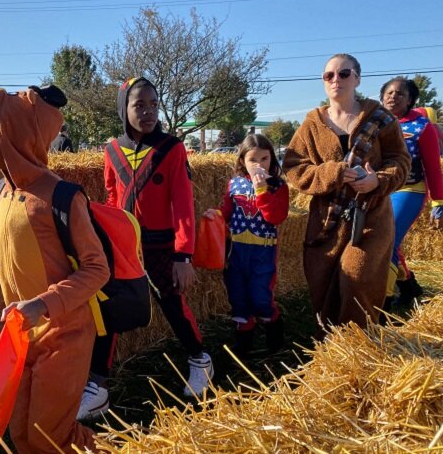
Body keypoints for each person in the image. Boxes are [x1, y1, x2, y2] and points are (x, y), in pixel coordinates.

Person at [0, 84, 109, 453]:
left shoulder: (62, 196)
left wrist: (41, 305)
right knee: (22, 433)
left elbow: (97, 269)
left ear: (13, 136)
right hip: (21, 336)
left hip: (63, 335)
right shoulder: (1, 192)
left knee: (50, 436)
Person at [78, 77, 213, 421]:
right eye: (140, 105)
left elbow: (183, 204)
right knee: (110, 309)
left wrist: (184, 256)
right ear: (123, 108)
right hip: (124, 247)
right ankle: (98, 386)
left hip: (163, 246)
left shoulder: (172, 148)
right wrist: (106, 236)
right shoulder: (110, 150)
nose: (149, 111)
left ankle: (200, 360)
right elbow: (111, 196)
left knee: (172, 304)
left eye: (154, 104)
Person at [282, 54, 410, 336]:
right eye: (329, 75)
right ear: (323, 81)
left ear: (357, 78)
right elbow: (293, 166)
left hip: (371, 216)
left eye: (343, 73)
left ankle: (358, 344)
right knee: (322, 282)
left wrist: (378, 180)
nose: (335, 80)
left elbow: (400, 161)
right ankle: (331, 346)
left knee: (357, 278)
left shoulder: (380, 119)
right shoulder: (312, 125)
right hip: (326, 219)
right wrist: (333, 172)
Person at [204, 134, 289, 355]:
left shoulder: (277, 186)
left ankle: (275, 335)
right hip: (237, 250)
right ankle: (244, 341)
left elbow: (275, 217)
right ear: (242, 161)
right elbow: (227, 212)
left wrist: (262, 190)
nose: (259, 165)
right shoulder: (234, 184)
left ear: (272, 159)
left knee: (261, 295)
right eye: (253, 160)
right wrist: (215, 215)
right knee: (238, 294)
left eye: (264, 159)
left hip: (263, 251)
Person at [379, 77, 443, 308]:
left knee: (387, 240)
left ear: (410, 100)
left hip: (410, 190)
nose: (393, 96)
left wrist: (439, 202)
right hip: (380, 190)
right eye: (388, 92)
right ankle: (409, 286)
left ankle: (382, 304)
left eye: (400, 94)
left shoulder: (422, 127)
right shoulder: (375, 123)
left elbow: (433, 167)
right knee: (388, 241)